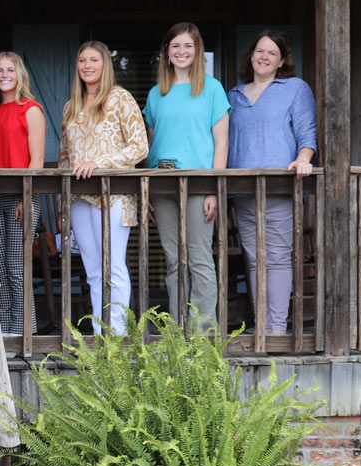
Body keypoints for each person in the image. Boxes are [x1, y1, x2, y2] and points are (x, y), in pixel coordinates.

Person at [227, 29, 317, 334]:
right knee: (253, 258)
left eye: (271, 53)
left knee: (276, 257)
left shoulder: (294, 88)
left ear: (281, 62)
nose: (264, 57)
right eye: (259, 51)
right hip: (242, 190)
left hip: (279, 187)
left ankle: (276, 329)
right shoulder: (234, 95)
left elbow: (307, 133)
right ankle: (262, 325)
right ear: (250, 56)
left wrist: (304, 158)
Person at [57, 40, 149, 335]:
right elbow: (64, 157)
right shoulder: (71, 106)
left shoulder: (120, 98)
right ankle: (101, 335)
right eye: (82, 60)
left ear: (105, 65)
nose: (87, 66)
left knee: (114, 267)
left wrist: (100, 162)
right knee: (94, 271)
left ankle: (119, 335)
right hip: (79, 197)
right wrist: (63, 204)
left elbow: (139, 147)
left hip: (114, 193)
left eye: (94, 60)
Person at [143, 23, 230, 328]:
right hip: (162, 183)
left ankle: (202, 333)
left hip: (198, 184)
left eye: (188, 46)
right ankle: (180, 329)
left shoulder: (212, 88)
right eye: (175, 46)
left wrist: (214, 189)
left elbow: (222, 142)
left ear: (198, 52)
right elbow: (153, 144)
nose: (181, 52)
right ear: (167, 53)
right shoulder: (157, 94)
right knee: (173, 261)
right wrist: (147, 191)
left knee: (199, 258)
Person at [0, 52, 46, 336]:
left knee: (17, 267)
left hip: (23, 197)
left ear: (20, 74)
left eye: (10, 70)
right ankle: (6, 332)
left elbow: (37, 160)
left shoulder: (30, 109)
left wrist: (26, 195)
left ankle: (25, 331)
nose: (5, 75)